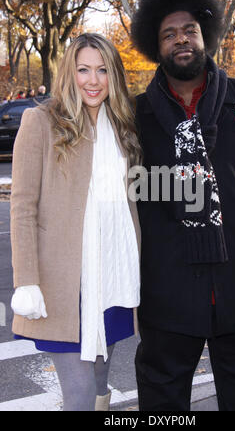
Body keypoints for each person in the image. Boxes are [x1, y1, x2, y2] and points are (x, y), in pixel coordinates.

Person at [130, 0, 235, 412]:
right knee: (162, 406)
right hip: (167, 293)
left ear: (205, 37)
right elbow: (123, 189)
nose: (181, 39)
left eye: (189, 30)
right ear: (155, 45)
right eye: (169, 34)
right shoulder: (135, 116)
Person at [10, 33, 142, 411]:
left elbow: (133, 201)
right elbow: (22, 207)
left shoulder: (122, 127)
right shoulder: (42, 122)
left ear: (113, 76)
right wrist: (28, 281)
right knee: (80, 392)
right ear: (70, 72)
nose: (93, 80)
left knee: (101, 379)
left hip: (113, 274)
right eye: (83, 69)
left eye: (102, 70)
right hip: (63, 284)